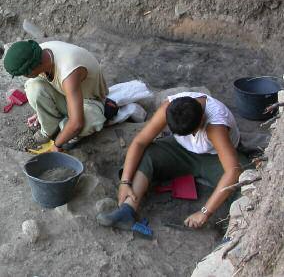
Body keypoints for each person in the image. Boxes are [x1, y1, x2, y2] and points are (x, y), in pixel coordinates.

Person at [97, 92, 249, 229]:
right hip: (181, 150)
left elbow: (232, 171)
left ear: (200, 121)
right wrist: (125, 182)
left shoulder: (216, 127)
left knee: (246, 183)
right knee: (147, 154)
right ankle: (127, 210)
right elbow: (140, 142)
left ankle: (235, 231)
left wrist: (204, 212)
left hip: (215, 157)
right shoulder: (171, 107)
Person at [4, 40, 108, 151]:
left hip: (89, 101)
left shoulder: (69, 72)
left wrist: (57, 145)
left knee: (86, 123)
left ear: (30, 70)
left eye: (24, 74)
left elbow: (77, 123)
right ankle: (52, 129)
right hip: (66, 93)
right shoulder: (39, 54)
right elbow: (43, 88)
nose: (24, 76)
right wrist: (41, 112)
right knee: (32, 87)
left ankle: (65, 132)